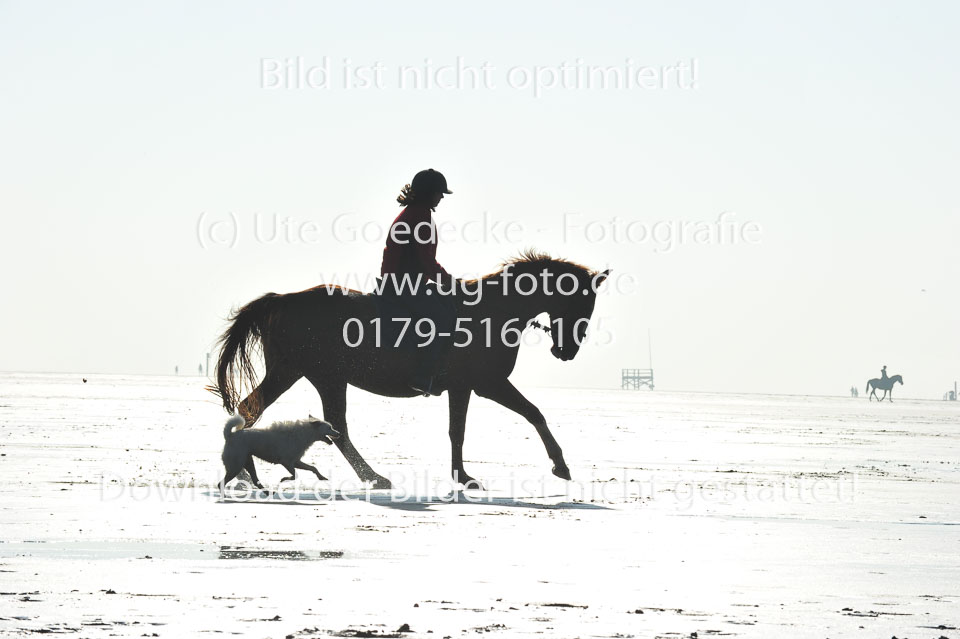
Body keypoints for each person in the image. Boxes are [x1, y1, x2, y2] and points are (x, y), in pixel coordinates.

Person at [379, 169, 458, 396]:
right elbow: (426, 261)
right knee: (441, 318)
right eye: (439, 193)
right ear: (428, 193)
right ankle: (423, 375)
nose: (441, 197)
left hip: (404, 281)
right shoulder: (421, 216)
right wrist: (451, 282)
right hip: (404, 284)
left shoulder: (413, 212)